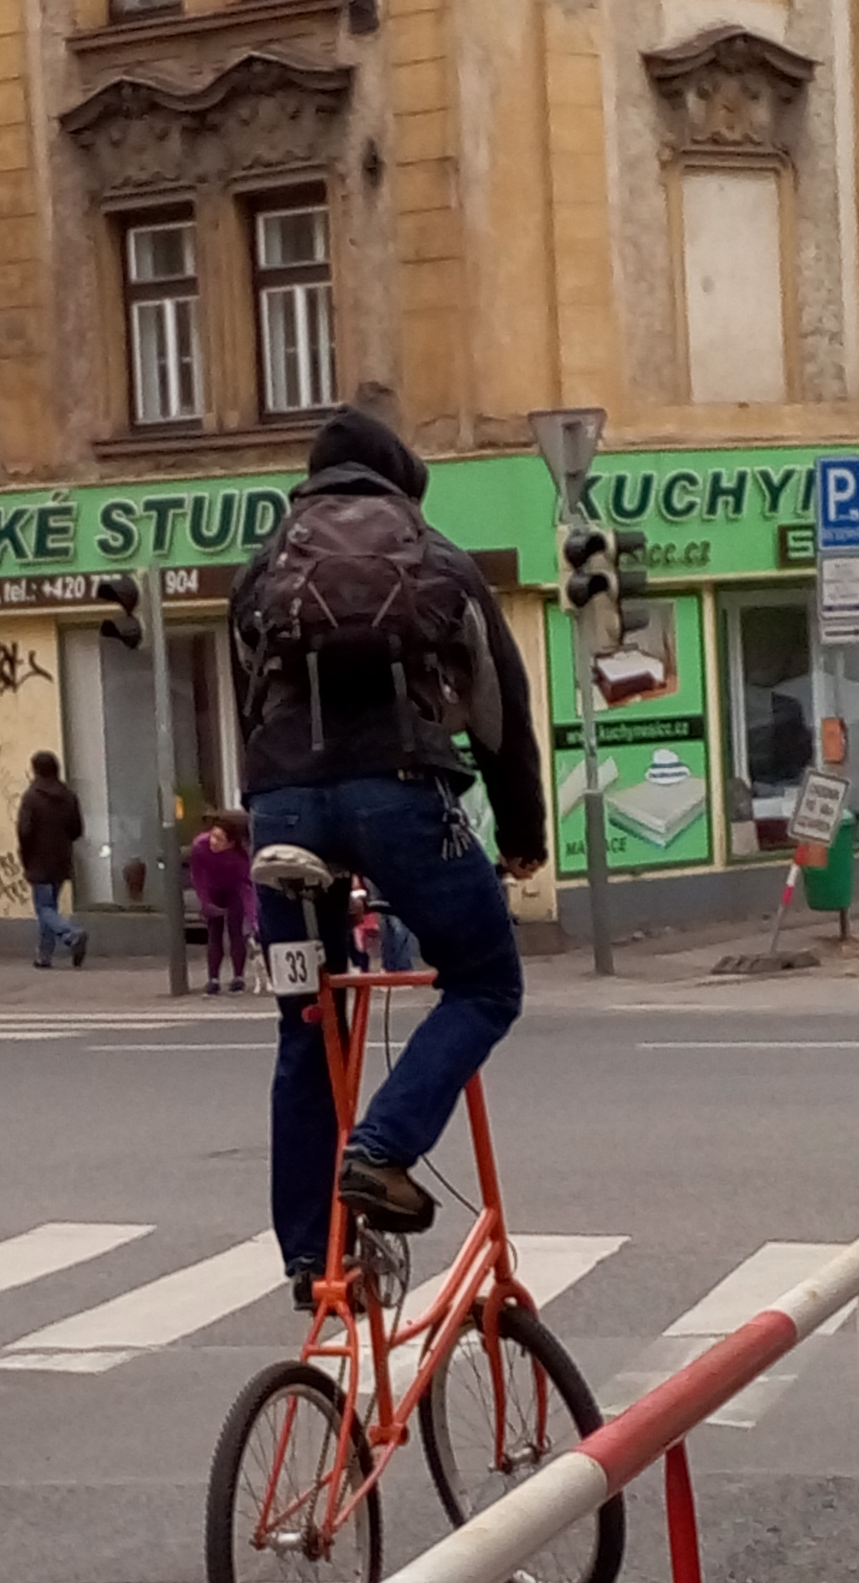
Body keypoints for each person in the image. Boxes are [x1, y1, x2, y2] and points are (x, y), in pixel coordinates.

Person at [231, 403, 547, 1297]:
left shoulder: (262, 571)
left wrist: (271, 806)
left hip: (282, 809)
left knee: (307, 1020)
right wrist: (520, 837)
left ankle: (312, 1260)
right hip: (400, 798)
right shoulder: (439, 559)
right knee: (487, 982)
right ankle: (381, 1148)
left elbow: (246, 707)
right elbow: (500, 715)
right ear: (402, 488)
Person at [16, 751, 88, 970]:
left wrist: (25, 856)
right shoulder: (68, 795)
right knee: (50, 907)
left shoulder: (31, 797)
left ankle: (71, 934)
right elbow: (77, 830)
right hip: (61, 858)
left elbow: (24, 832)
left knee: (44, 909)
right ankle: (44, 956)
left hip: (38, 859)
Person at [190, 809, 254, 995]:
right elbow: (198, 877)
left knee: (236, 932)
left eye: (219, 839)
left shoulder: (240, 855)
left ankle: (238, 977)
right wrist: (206, 903)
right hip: (212, 889)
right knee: (214, 933)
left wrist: (253, 918)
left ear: (231, 843)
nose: (213, 842)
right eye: (213, 836)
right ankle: (213, 978)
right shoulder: (200, 847)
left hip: (233, 890)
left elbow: (246, 885)